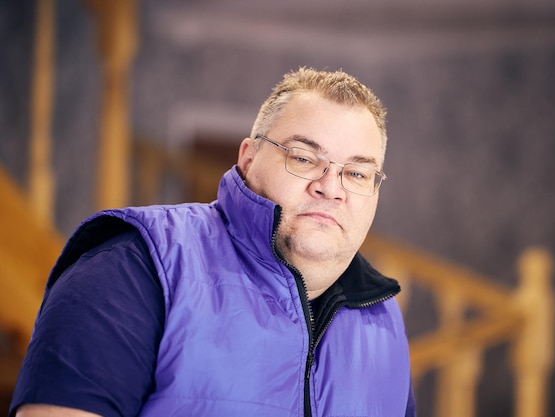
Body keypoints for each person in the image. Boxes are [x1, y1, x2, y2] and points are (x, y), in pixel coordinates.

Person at [10, 67, 416, 417]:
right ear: (248, 158)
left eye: (358, 174)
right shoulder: (134, 265)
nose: (331, 188)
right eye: (304, 158)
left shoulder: (384, 320)